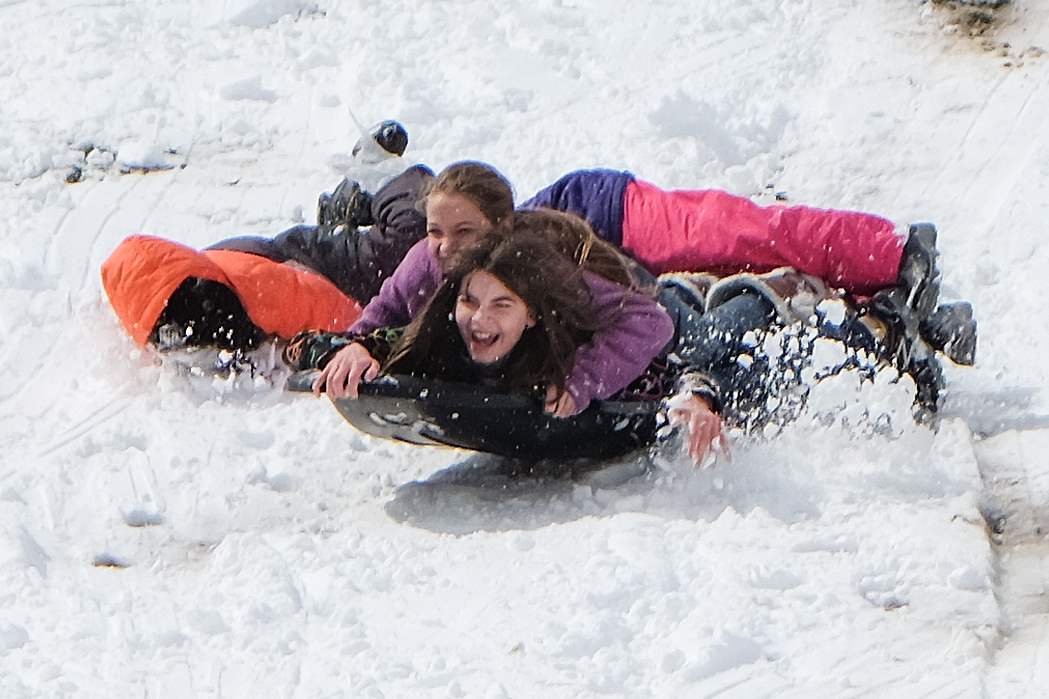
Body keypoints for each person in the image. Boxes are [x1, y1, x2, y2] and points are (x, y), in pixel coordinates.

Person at [315, 160, 974, 413]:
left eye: (464, 234)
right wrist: (361, 346)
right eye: (436, 232)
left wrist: (894, 256)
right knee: (730, 280)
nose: (447, 247)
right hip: (620, 272)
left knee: (733, 236)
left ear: (502, 231)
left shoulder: (533, 258)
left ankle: (893, 256)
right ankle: (879, 309)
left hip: (607, 215)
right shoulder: (435, 264)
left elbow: (637, 317)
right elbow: (384, 313)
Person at [289, 209, 934, 466]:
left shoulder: (582, 344)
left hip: (690, 351)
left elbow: (673, 353)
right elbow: (360, 336)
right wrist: (356, 348)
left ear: (535, 315)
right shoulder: (459, 332)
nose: (478, 319)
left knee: (744, 320)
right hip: (659, 299)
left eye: (500, 306)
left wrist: (702, 396)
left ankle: (883, 324)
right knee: (683, 296)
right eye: (469, 301)